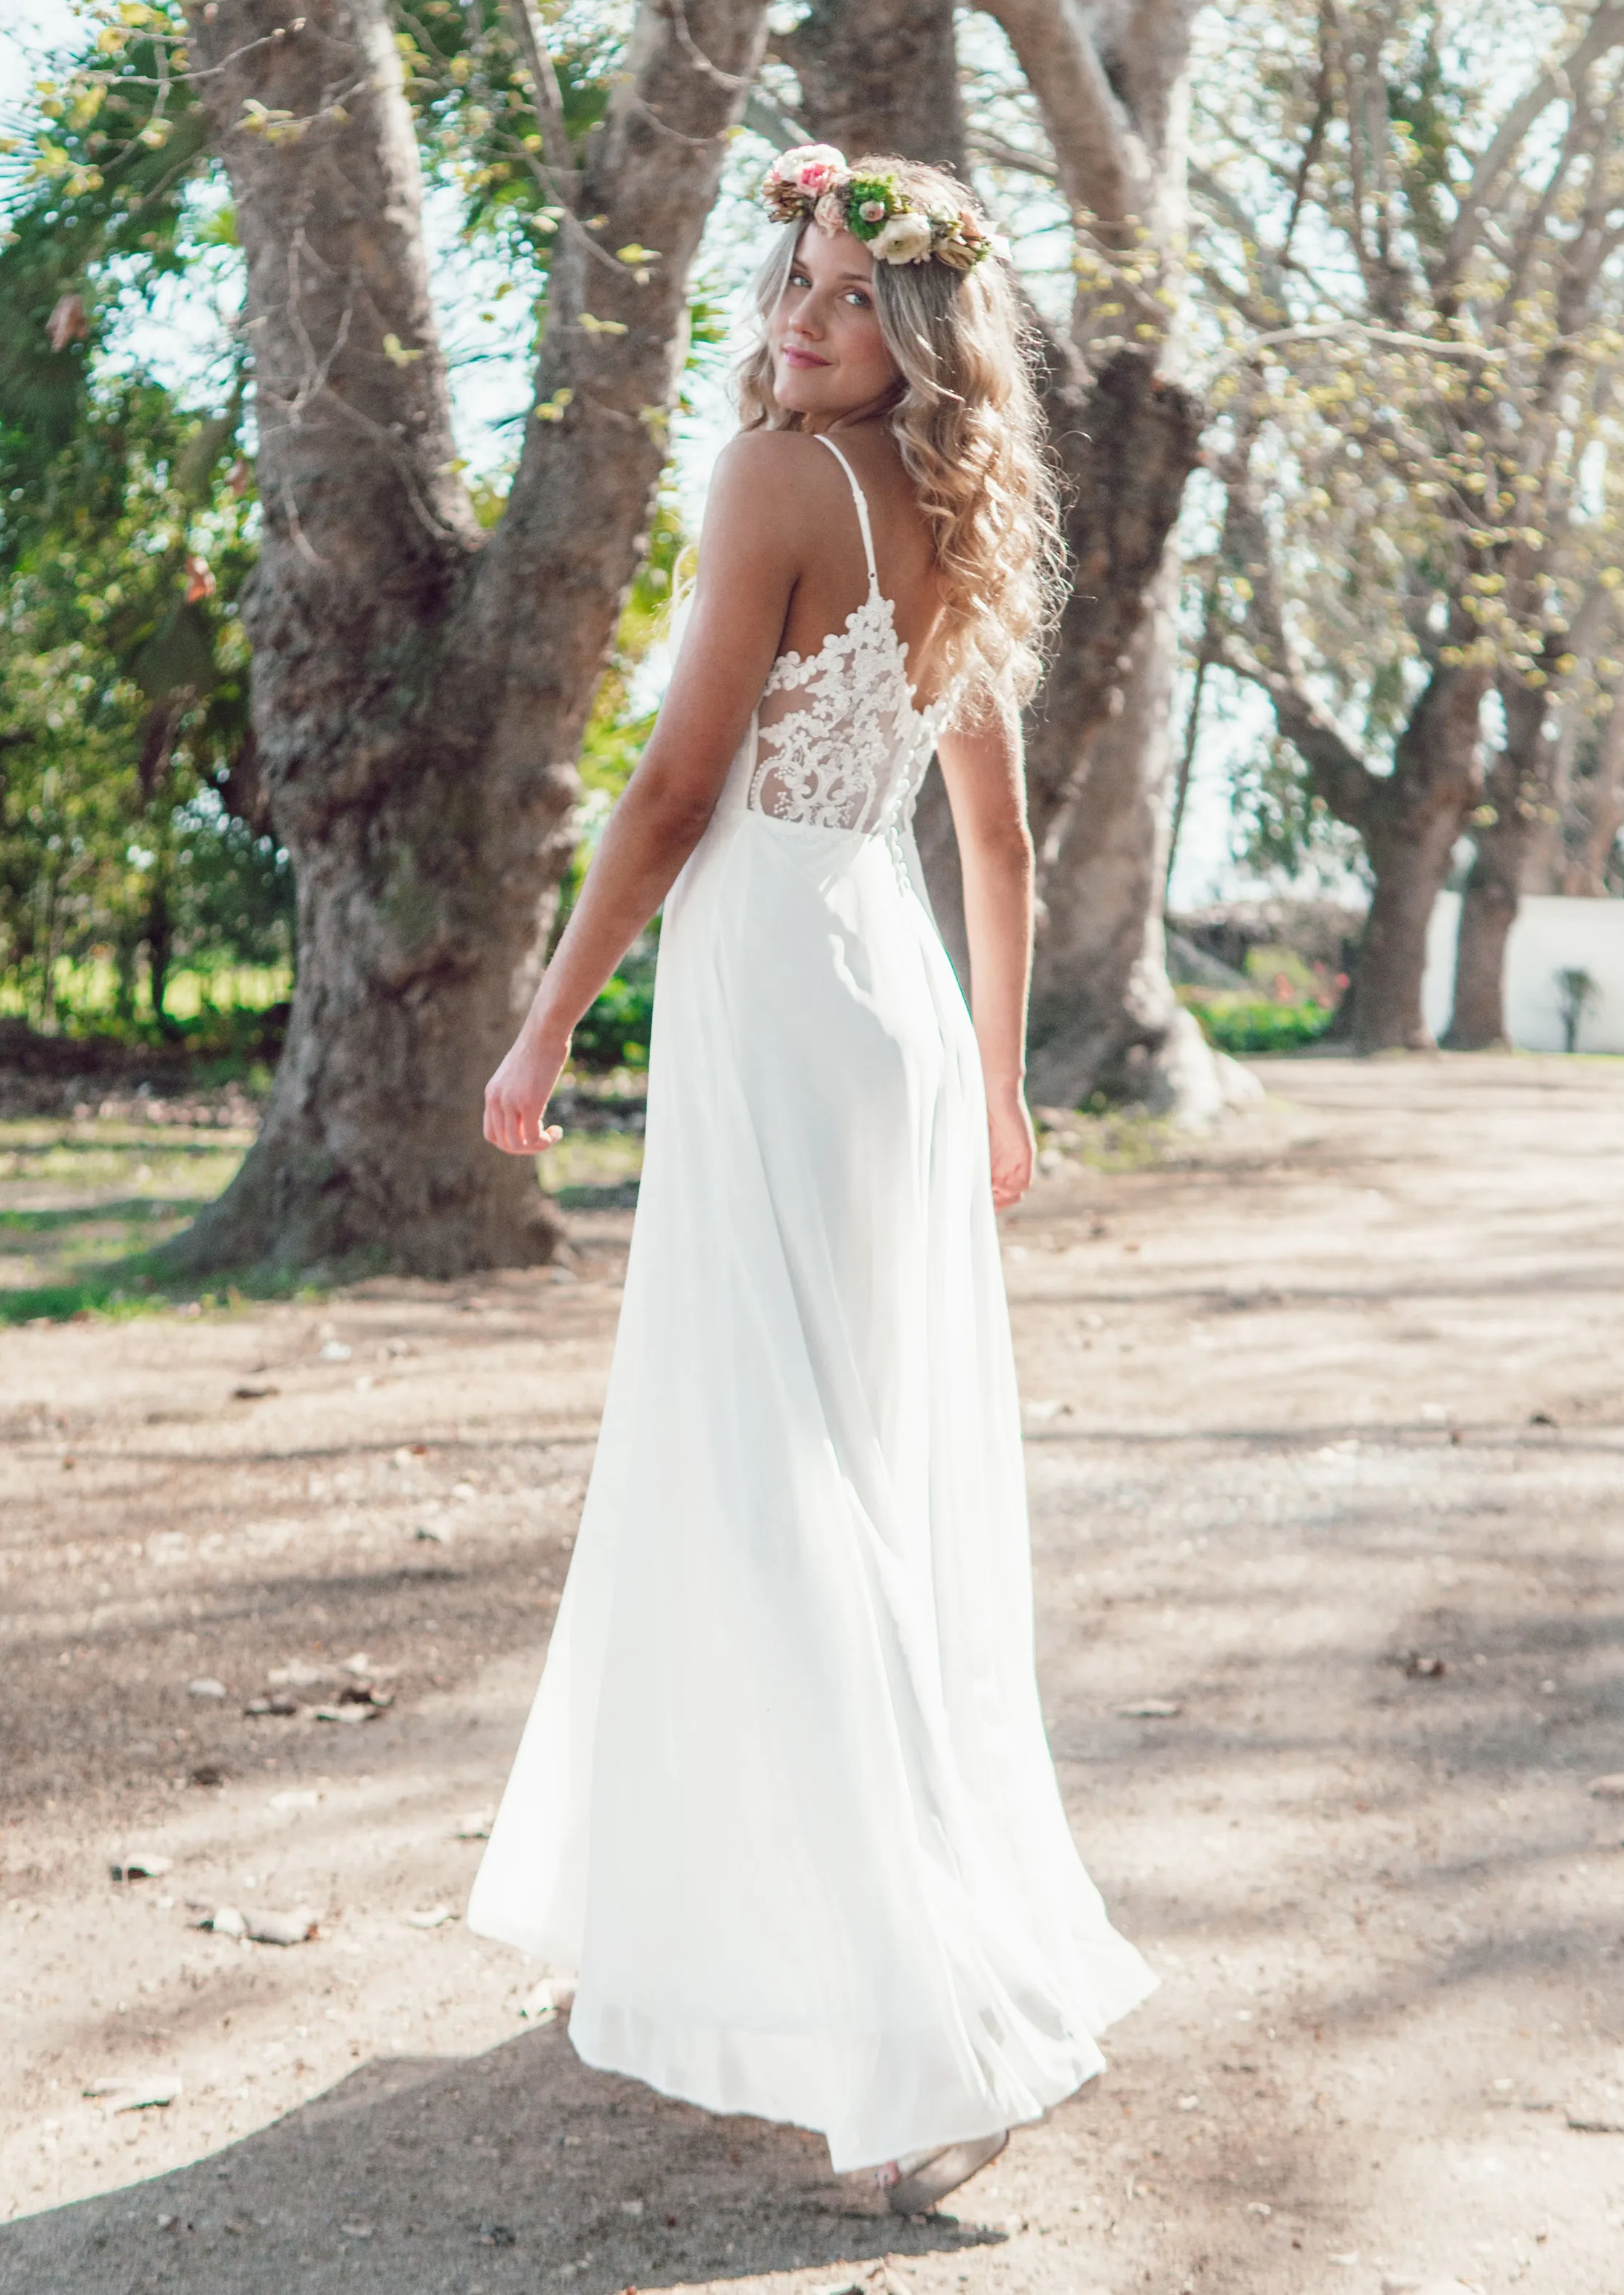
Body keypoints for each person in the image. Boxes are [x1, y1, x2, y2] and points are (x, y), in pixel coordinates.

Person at [470, 146, 1154, 2213]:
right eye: (791, 275)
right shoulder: (955, 512)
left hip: (778, 985)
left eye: (850, 298)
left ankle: (923, 2013)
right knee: (852, 1467)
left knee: (773, 1478)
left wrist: (542, 1019)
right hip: (896, 1006)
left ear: (920, 333)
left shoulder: (779, 487)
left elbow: (678, 791)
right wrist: (1006, 1080)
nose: (797, 317)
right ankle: (762, 1924)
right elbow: (1002, 844)